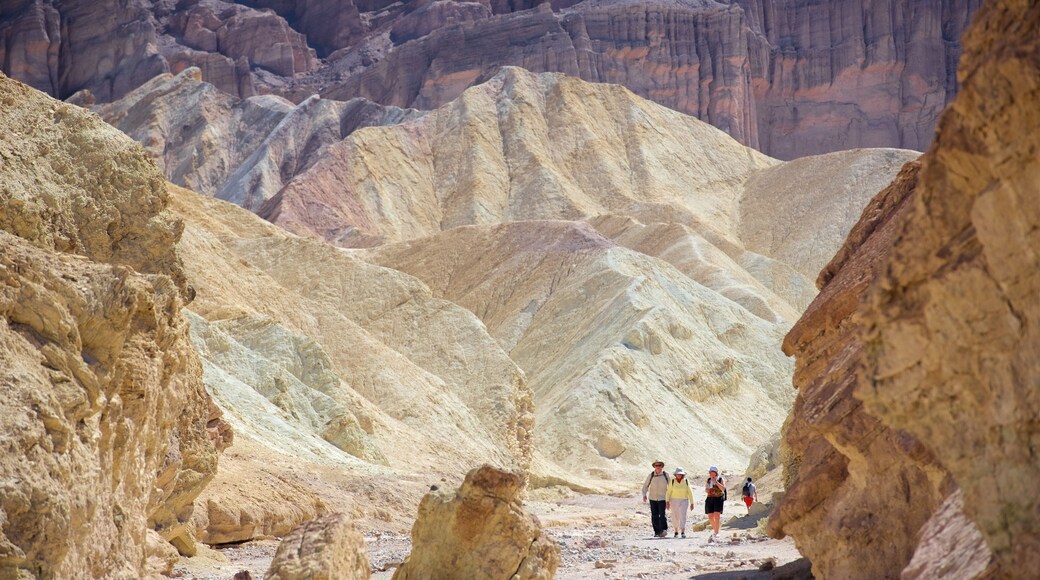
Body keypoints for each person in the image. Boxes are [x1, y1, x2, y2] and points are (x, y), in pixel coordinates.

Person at [642, 460, 671, 537]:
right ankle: (657, 532)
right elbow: (645, 486)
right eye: (656, 465)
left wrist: (670, 497)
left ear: (662, 466)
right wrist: (644, 494)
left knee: (662, 514)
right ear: (654, 466)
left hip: (663, 498)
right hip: (652, 498)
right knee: (654, 515)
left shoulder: (665, 475)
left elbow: (671, 486)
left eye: (659, 465)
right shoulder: (651, 475)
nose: (658, 467)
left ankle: (664, 530)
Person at [665, 467, 695, 538]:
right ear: (675, 475)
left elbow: (690, 492)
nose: (679, 475)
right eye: (678, 474)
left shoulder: (686, 481)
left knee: (682, 515)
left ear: (683, 475)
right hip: (673, 500)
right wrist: (667, 501)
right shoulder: (672, 482)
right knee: (675, 516)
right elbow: (668, 492)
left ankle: (683, 531)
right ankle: (676, 531)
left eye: (680, 474)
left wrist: (692, 503)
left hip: (684, 500)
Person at [704, 466, 725, 540]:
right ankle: (715, 529)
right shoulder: (708, 480)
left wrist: (716, 482)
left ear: (715, 473)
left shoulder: (720, 479)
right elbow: (706, 489)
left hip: (718, 499)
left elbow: (723, 488)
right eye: (710, 472)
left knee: (717, 515)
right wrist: (708, 489)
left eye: (712, 472)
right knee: (710, 517)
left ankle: (716, 532)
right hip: (710, 498)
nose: (711, 474)